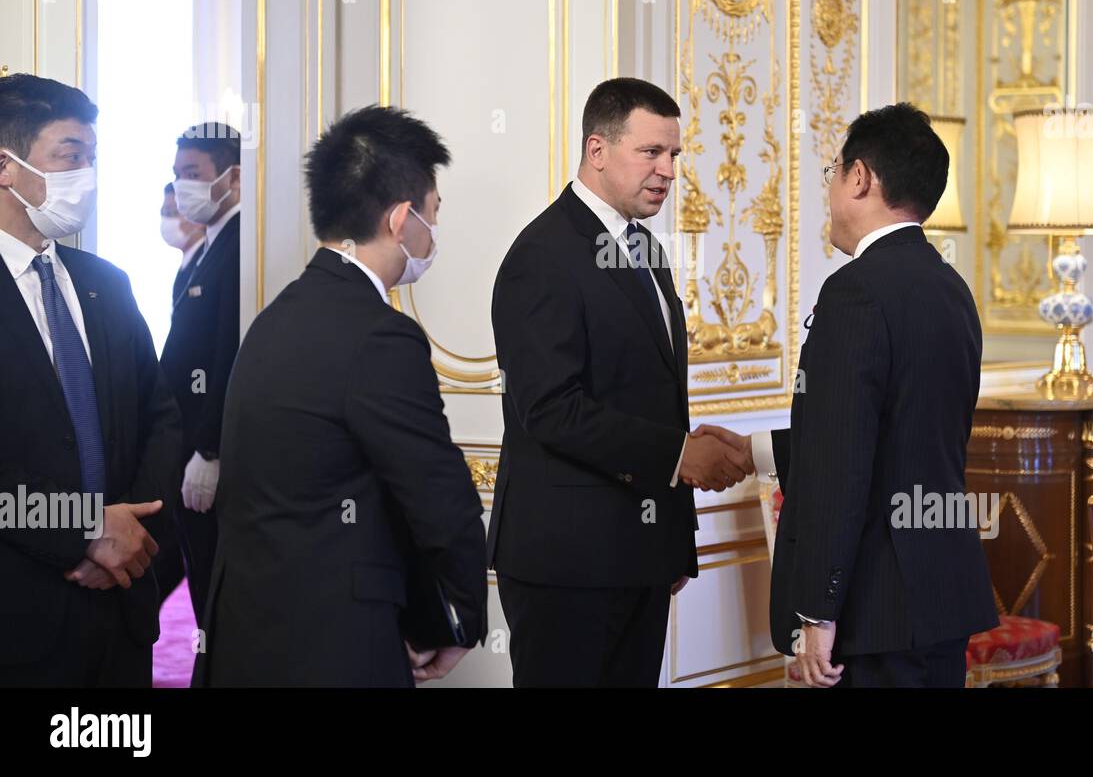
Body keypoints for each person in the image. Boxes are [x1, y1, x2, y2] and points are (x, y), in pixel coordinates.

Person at [701, 103, 998, 687]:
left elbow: (843, 467)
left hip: (875, 609)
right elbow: (891, 436)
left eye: (835, 171)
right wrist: (754, 451)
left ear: (859, 177)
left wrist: (818, 611)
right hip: (941, 594)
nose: (832, 188)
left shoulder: (854, 292)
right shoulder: (952, 287)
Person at [194, 104, 487, 687]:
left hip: (247, 630)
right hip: (332, 639)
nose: (433, 231)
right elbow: (439, 497)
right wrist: (457, 622)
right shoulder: (380, 334)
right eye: (433, 213)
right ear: (403, 219)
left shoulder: (276, 317)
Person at [489, 77, 752, 688]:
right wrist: (681, 455)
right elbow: (550, 408)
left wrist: (673, 541)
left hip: (640, 554)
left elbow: (655, 397)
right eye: (650, 153)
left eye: (674, 155)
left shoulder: (646, 250)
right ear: (597, 151)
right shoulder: (542, 254)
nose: (666, 170)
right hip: (567, 562)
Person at [0, 73, 181, 686]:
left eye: (92, 157)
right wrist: (84, 530)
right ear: (6, 166)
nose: (87, 175)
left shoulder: (108, 283)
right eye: (70, 156)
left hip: (120, 609)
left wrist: (129, 535)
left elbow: (161, 416)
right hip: (20, 614)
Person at [158, 123, 241, 623]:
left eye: (193, 173)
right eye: (177, 174)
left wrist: (209, 449)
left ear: (232, 178)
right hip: (182, 445)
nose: (183, 185)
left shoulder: (238, 248)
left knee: (215, 596)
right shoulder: (207, 247)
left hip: (207, 452)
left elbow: (228, 352)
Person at [152, 181, 206, 607]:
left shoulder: (213, 263)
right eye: (166, 208)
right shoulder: (186, 265)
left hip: (194, 438)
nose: (171, 218)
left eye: (178, 208)